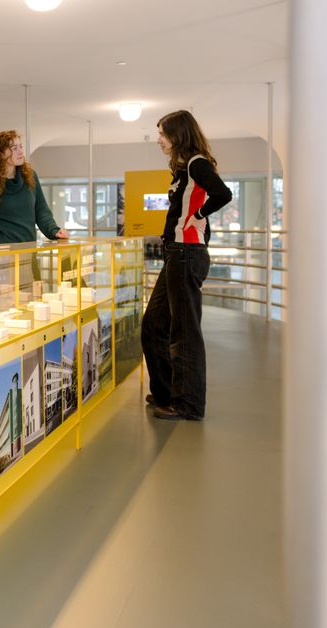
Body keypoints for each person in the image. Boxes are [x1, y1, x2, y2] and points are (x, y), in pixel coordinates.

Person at [141, 110, 232, 421]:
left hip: (186, 254)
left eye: (163, 134)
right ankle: (167, 393)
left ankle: (189, 405)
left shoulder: (196, 163)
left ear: (179, 135)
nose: (159, 139)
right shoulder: (183, 169)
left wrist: (198, 216)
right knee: (153, 325)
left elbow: (223, 193)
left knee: (185, 333)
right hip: (176, 254)